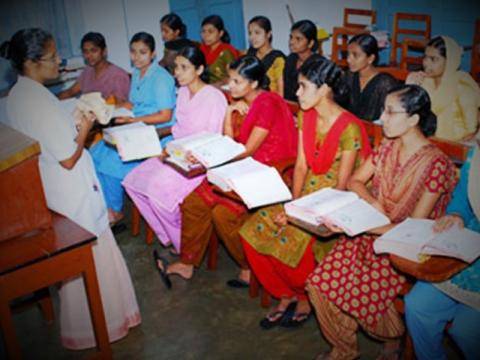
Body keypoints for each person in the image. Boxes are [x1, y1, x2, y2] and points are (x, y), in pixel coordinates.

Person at [4, 28, 140, 350]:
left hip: (62, 187)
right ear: (32, 62)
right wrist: (86, 128)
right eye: (52, 58)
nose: (59, 64)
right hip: (68, 190)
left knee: (101, 255)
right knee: (91, 263)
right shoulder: (33, 99)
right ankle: (97, 329)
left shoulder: (23, 93)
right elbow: (66, 157)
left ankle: (113, 320)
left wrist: (73, 124)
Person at [306, 84, 457, 360]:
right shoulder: (387, 147)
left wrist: (361, 225)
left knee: (358, 291)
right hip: (370, 229)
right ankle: (344, 348)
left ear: (413, 119)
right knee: (318, 285)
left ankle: (391, 338)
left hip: (404, 248)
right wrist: (371, 201)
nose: (381, 118)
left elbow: (414, 227)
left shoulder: (436, 164)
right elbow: (355, 180)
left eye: (389, 112)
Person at [240, 57, 372, 329]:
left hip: (334, 202)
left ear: (324, 89)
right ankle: (285, 293)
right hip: (303, 194)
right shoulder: (306, 114)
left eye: (302, 86)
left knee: (294, 236)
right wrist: (292, 206)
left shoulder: (348, 126)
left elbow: (343, 186)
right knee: (253, 229)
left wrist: (303, 215)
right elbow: (300, 166)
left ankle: (304, 296)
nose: (296, 92)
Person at [155, 55, 297, 287]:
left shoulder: (267, 103)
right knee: (193, 202)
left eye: (236, 81)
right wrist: (229, 112)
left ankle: (248, 266)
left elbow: (249, 149)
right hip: (240, 165)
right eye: (230, 80)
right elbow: (230, 140)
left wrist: (207, 159)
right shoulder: (240, 100)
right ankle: (187, 263)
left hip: (265, 171)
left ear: (253, 83)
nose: (230, 86)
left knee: (224, 215)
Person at [123, 46, 227, 253]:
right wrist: (169, 148)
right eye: (176, 67)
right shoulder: (182, 93)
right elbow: (179, 128)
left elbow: (213, 138)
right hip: (177, 153)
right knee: (132, 182)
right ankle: (168, 235)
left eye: (183, 67)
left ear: (199, 69)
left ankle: (185, 244)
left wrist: (185, 154)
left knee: (157, 191)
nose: (177, 72)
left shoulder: (214, 97)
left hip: (199, 161)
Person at [405, 135, 480, 360]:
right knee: (417, 306)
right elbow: (462, 196)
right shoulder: (476, 155)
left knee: (465, 331)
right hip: (469, 244)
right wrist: (456, 214)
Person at [90, 32, 176, 225]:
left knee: (112, 160)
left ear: (153, 54)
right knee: (96, 153)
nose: (136, 57)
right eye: (133, 52)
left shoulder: (161, 78)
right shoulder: (137, 73)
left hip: (158, 132)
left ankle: (116, 211)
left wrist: (132, 120)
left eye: (142, 52)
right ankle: (107, 206)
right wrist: (109, 110)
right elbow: (135, 104)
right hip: (137, 126)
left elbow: (165, 115)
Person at [406, 36, 480, 141]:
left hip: (456, 146)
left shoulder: (462, 87)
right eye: (425, 57)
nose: (426, 63)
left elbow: (471, 132)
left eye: (434, 59)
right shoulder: (424, 82)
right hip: (426, 141)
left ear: (449, 61)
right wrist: (410, 87)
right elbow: (410, 114)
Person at [57, 32, 130, 101]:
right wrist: (50, 100)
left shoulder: (118, 76)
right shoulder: (88, 71)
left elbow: (119, 104)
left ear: (104, 51)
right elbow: (71, 92)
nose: (89, 55)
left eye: (94, 50)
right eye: (85, 51)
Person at [345, 34, 398, 121]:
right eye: (348, 54)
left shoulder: (385, 83)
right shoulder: (349, 76)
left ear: (371, 58)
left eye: (355, 55)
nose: (348, 59)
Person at [283, 19, 324, 102]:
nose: (291, 42)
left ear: (310, 43)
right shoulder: (291, 59)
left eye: (298, 39)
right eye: (291, 37)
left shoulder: (319, 64)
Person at [246, 16, 286, 96]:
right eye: (250, 33)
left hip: (270, 103)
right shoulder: (250, 55)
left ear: (268, 34)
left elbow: (281, 94)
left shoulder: (277, 59)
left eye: (257, 33)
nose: (252, 37)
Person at [199, 14, 238, 85]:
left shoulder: (226, 51)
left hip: (223, 90)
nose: (206, 35)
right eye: (203, 31)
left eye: (210, 31)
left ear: (220, 33)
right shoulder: (202, 49)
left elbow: (233, 77)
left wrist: (214, 87)